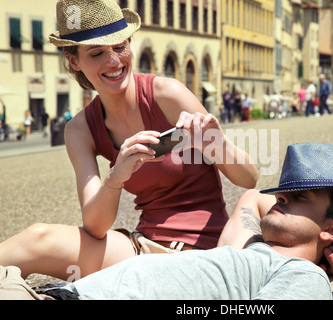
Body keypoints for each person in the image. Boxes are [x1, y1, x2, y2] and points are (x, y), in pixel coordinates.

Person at [0, 0, 258, 281]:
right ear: (73, 61)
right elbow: (95, 228)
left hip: (207, 250)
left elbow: (249, 179)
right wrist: (116, 177)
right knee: (37, 238)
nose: (114, 61)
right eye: (97, 53)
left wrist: (216, 143)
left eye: (120, 46)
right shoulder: (80, 129)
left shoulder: (167, 93)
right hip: (140, 248)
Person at [0, 142, 333, 300]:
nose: (277, 201)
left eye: (298, 198)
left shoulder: (301, 274)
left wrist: (331, 251)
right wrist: (326, 239)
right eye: (281, 195)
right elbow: (251, 197)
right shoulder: (247, 250)